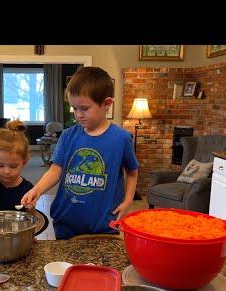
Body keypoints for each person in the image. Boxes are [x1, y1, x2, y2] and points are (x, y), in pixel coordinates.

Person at [21, 66, 139, 239]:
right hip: (66, 222)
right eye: (74, 108)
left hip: (103, 224)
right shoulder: (68, 136)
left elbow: (132, 172)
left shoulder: (121, 138)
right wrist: (37, 190)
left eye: (84, 108)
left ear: (106, 104)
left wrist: (128, 201)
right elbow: (55, 170)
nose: (78, 115)